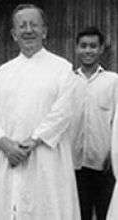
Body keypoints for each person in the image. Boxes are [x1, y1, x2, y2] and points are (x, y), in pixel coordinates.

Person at [0, 4, 80, 220]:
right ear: (14, 34)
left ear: (45, 31)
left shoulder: (62, 69)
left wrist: (31, 142)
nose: (28, 30)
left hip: (46, 156)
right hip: (6, 156)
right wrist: (6, 145)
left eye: (34, 24)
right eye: (22, 26)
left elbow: (63, 112)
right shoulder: (2, 73)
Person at [73, 27, 118, 220]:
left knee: (105, 214)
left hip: (104, 165)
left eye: (93, 46)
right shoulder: (68, 81)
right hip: (73, 164)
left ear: (101, 49)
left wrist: (114, 152)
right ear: (76, 49)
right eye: (83, 46)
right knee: (77, 214)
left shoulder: (113, 81)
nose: (88, 50)